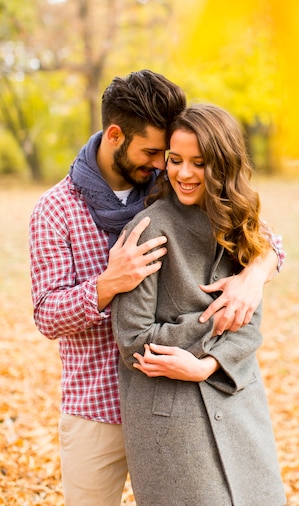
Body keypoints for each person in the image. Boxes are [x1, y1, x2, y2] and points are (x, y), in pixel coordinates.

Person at [29, 70, 284, 506]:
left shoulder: (170, 183)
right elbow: (47, 314)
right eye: (154, 153)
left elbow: (265, 241)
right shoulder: (56, 209)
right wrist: (107, 285)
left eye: (165, 153)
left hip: (180, 398)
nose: (161, 163)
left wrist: (252, 278)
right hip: (98, 402)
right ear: (115, 135)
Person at [111, 103, 287, 506]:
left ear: (224, 164)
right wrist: (217, 323)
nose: (184, 174)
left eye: (199, 162)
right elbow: (133, 339)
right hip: (172, 420)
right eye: (175, 160)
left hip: (237, 399)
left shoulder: (242, 222)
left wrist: (206, 366)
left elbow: (251, 321)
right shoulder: (148, 230)